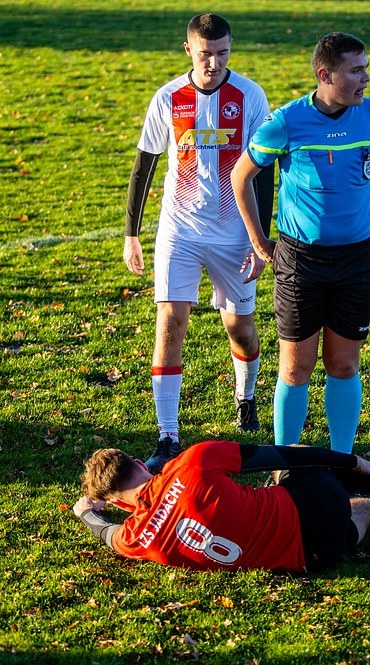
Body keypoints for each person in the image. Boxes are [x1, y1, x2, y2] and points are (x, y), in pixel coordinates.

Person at [230, 32, 370, 455]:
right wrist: (258, 239)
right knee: (295, 369)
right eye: (356, 71)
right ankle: (284, 465)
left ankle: (342, 461)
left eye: (366, 69)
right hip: (301, 262)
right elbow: (240, 176)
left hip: (356, 260)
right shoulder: (287, 121)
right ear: (325, 75)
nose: (365, 79)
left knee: (343, 364)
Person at [122, 13, 276, 473]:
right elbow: (145, 165)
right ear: (188, 50)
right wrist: (131, 233)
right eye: (206, 54)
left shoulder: (250, 96)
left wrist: (259, 240)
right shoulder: (168, 97)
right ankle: (168, 435)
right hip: (181, 229)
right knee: (170, 321)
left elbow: (263, 171)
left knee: (240, 328)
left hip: (234, 231)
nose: (214, 62)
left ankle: (245, 395)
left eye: (223, 53)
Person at [71, 441, 370, 572]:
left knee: (363, 511)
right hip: (308, 504)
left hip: (312, 556)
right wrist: (354, 462)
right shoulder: (191, 463)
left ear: (115, 503)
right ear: (137, 463)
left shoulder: (136, 538)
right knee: (289, 461)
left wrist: (85, 511)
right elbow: (281, 456)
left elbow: (104, 532)